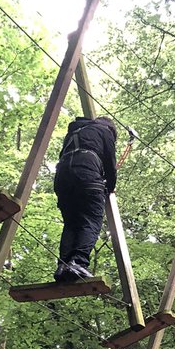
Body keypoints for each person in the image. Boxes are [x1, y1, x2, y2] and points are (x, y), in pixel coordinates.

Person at [53, 115, 117, 282]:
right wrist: (110, 187)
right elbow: (110, 162)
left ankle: (63, 265)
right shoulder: (105, 131)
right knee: (90, 220)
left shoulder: (73, 133)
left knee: (71, 223)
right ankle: (78, 262)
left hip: (63, 177)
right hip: (87, 176)